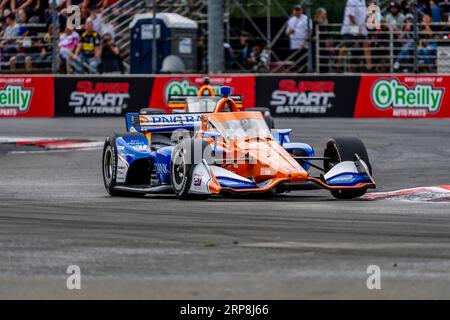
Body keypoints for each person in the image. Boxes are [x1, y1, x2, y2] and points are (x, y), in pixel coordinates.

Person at [338, 0, 372, 72]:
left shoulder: (362, 1)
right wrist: (355, 27)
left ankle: (369, 67)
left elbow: (363, 16)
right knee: (346, 47)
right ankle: (338, 65)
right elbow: (350, 15)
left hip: (361, 27)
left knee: (366, 44)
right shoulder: (351, 1)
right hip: (350, 28)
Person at [285, 4, 312, 72]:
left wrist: (304, 42)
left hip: (303, 45)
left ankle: (304, 72)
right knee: (295, 62)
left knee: (303, 62)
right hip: (294, 45)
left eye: (298, 10)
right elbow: (286, 33)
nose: (297, 11)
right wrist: (290, 32)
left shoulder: (306, 19)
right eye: (295, 10)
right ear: (293, 11)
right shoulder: (291, 20)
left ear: (301, 10)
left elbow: (309, 32)